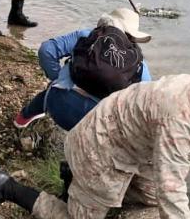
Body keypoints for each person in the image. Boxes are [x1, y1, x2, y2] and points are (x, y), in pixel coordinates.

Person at [0, 64, 190, 219]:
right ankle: (6, 186)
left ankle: (76, 182)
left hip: (126, 144)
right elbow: (172, 187)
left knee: (150, 200)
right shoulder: (178, 114)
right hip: (100, 148)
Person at [13, 7, 152, 131]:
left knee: (59, 83)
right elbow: (144, 101)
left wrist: (57, 77)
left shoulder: (87, 35)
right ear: (133, 37)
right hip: (96, 126)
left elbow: (46, 50)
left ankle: (22, 118)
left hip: (56, 104)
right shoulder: (139, 64)